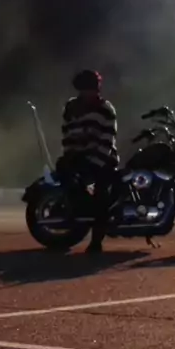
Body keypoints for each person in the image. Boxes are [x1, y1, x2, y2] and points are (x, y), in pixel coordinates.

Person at [59, 69, 119, 253]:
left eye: (93, 88)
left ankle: (96, 241)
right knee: (64, 173)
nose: (89, 92)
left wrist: (94, 162)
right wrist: (70, 155)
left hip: (103, 157)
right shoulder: (71, 107)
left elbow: (107, 140)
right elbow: (67, 134)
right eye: (85, 88)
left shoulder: (106, 109)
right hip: (78, 156)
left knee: (102, 194)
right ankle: (78, 212)